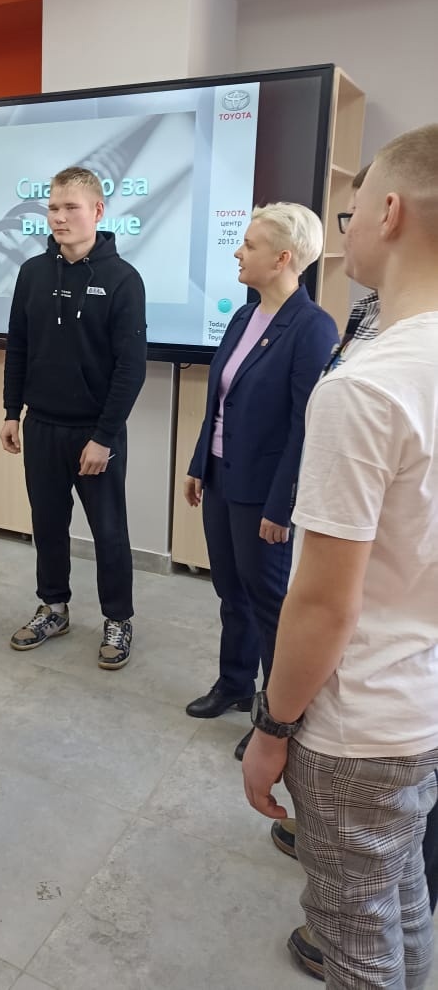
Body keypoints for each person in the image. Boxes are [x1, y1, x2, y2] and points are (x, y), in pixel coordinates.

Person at [242, 124, 438, 989]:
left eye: (351, 214)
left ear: (390, 212)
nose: (344, 231)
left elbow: (324, 603)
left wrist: (273, 726)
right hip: (421, 698)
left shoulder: (367, 384)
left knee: (355, 943)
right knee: (402, 900)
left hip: (359, 723)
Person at [183, 203, 338, 759]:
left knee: (268, 601)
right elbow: (219, 399)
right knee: (230, 589)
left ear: (282, 258)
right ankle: (234, 683)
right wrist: (199, 463)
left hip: (264, 491)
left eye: (249, 245)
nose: (237, 252)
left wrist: (282, 505)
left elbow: (305, 426)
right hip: (222, 476)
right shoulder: (244, 317)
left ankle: (274, 715)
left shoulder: (312, 327)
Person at [0, 166, 146, 669]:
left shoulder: (123, 279)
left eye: (70, 207)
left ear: (98, 211)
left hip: (95, 433)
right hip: (41, 425)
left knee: (109, 531)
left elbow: (130, 368)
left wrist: (104, 437)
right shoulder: (32, 273)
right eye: (53, 208)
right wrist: (11, 411)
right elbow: (18, 346)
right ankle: (53, 608)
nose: (59, 217)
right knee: (48, 524)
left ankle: (118, 618)